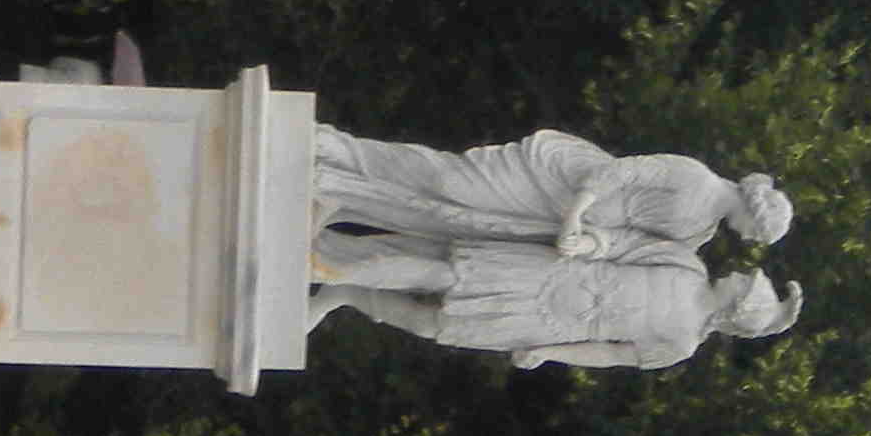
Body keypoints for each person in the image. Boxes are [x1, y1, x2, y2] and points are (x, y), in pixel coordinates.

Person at [310, 125, 791, 269]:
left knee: (445, 220)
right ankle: (339, 149)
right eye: (758, 233)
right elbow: (622, 171)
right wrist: (577, 213)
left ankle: (344, 199)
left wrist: (589, 243)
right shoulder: (695, 179)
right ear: (756, 210)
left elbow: (630, 244)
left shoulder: (697, 236)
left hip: (560, 226)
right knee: (450, 182)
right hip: (561, 186)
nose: (750, 240)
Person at [309, 240, 803, 371]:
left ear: (738, 307)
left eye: (747, 283)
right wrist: (588, 241)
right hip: (552, 274)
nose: (741, 273)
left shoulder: (680, 344)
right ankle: (336, 270)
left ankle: (346, 294)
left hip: (546, 323)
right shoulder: (687, 266)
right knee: (446, 275)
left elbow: (610, 354)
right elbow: (619, 246)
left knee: (435, 323)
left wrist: (549, 353)